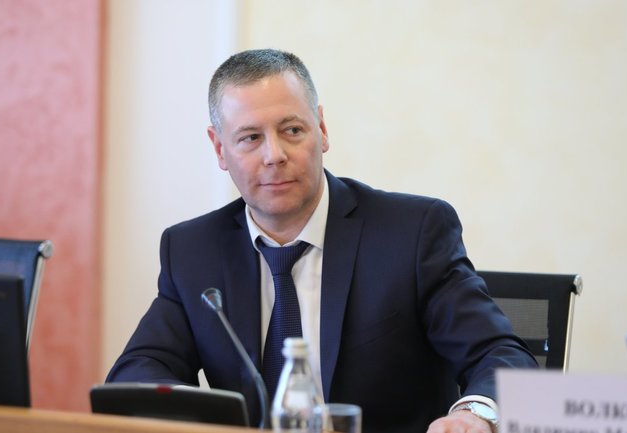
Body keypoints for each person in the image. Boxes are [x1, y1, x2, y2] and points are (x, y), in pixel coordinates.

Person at [107, 49, 537, 433]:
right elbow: (139, 371)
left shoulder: (412, 233)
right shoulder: (193, 250)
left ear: (322, 129)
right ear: (220, 149)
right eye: (250, 138)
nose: (274, 155)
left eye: (292, 130)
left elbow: (501, 355)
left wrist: (474, 414)